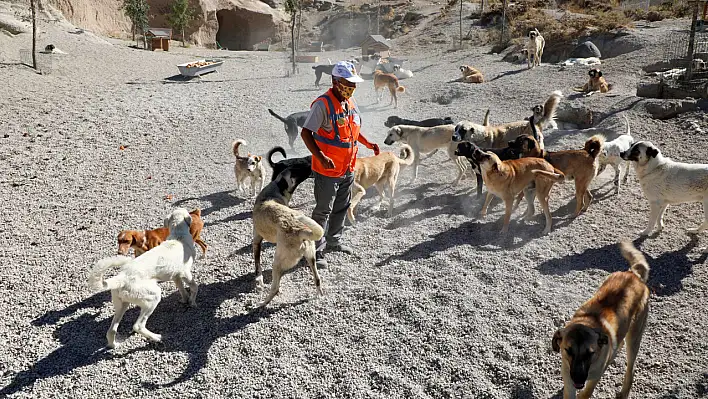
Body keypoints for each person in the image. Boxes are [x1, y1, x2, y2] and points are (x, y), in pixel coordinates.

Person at [301, 61, 380, 268]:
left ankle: (334, 241)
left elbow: (353, 131)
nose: (352, 87)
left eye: (353, 83)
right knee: (323, 210)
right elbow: (306, 133)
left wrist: (367, 142)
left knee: (341, 206)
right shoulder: (322, 104)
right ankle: (316, 250)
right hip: (327, 169)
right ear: (335, 82)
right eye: (347, 82)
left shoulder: (350, 102)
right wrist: (320, 157)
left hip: (347, 167)